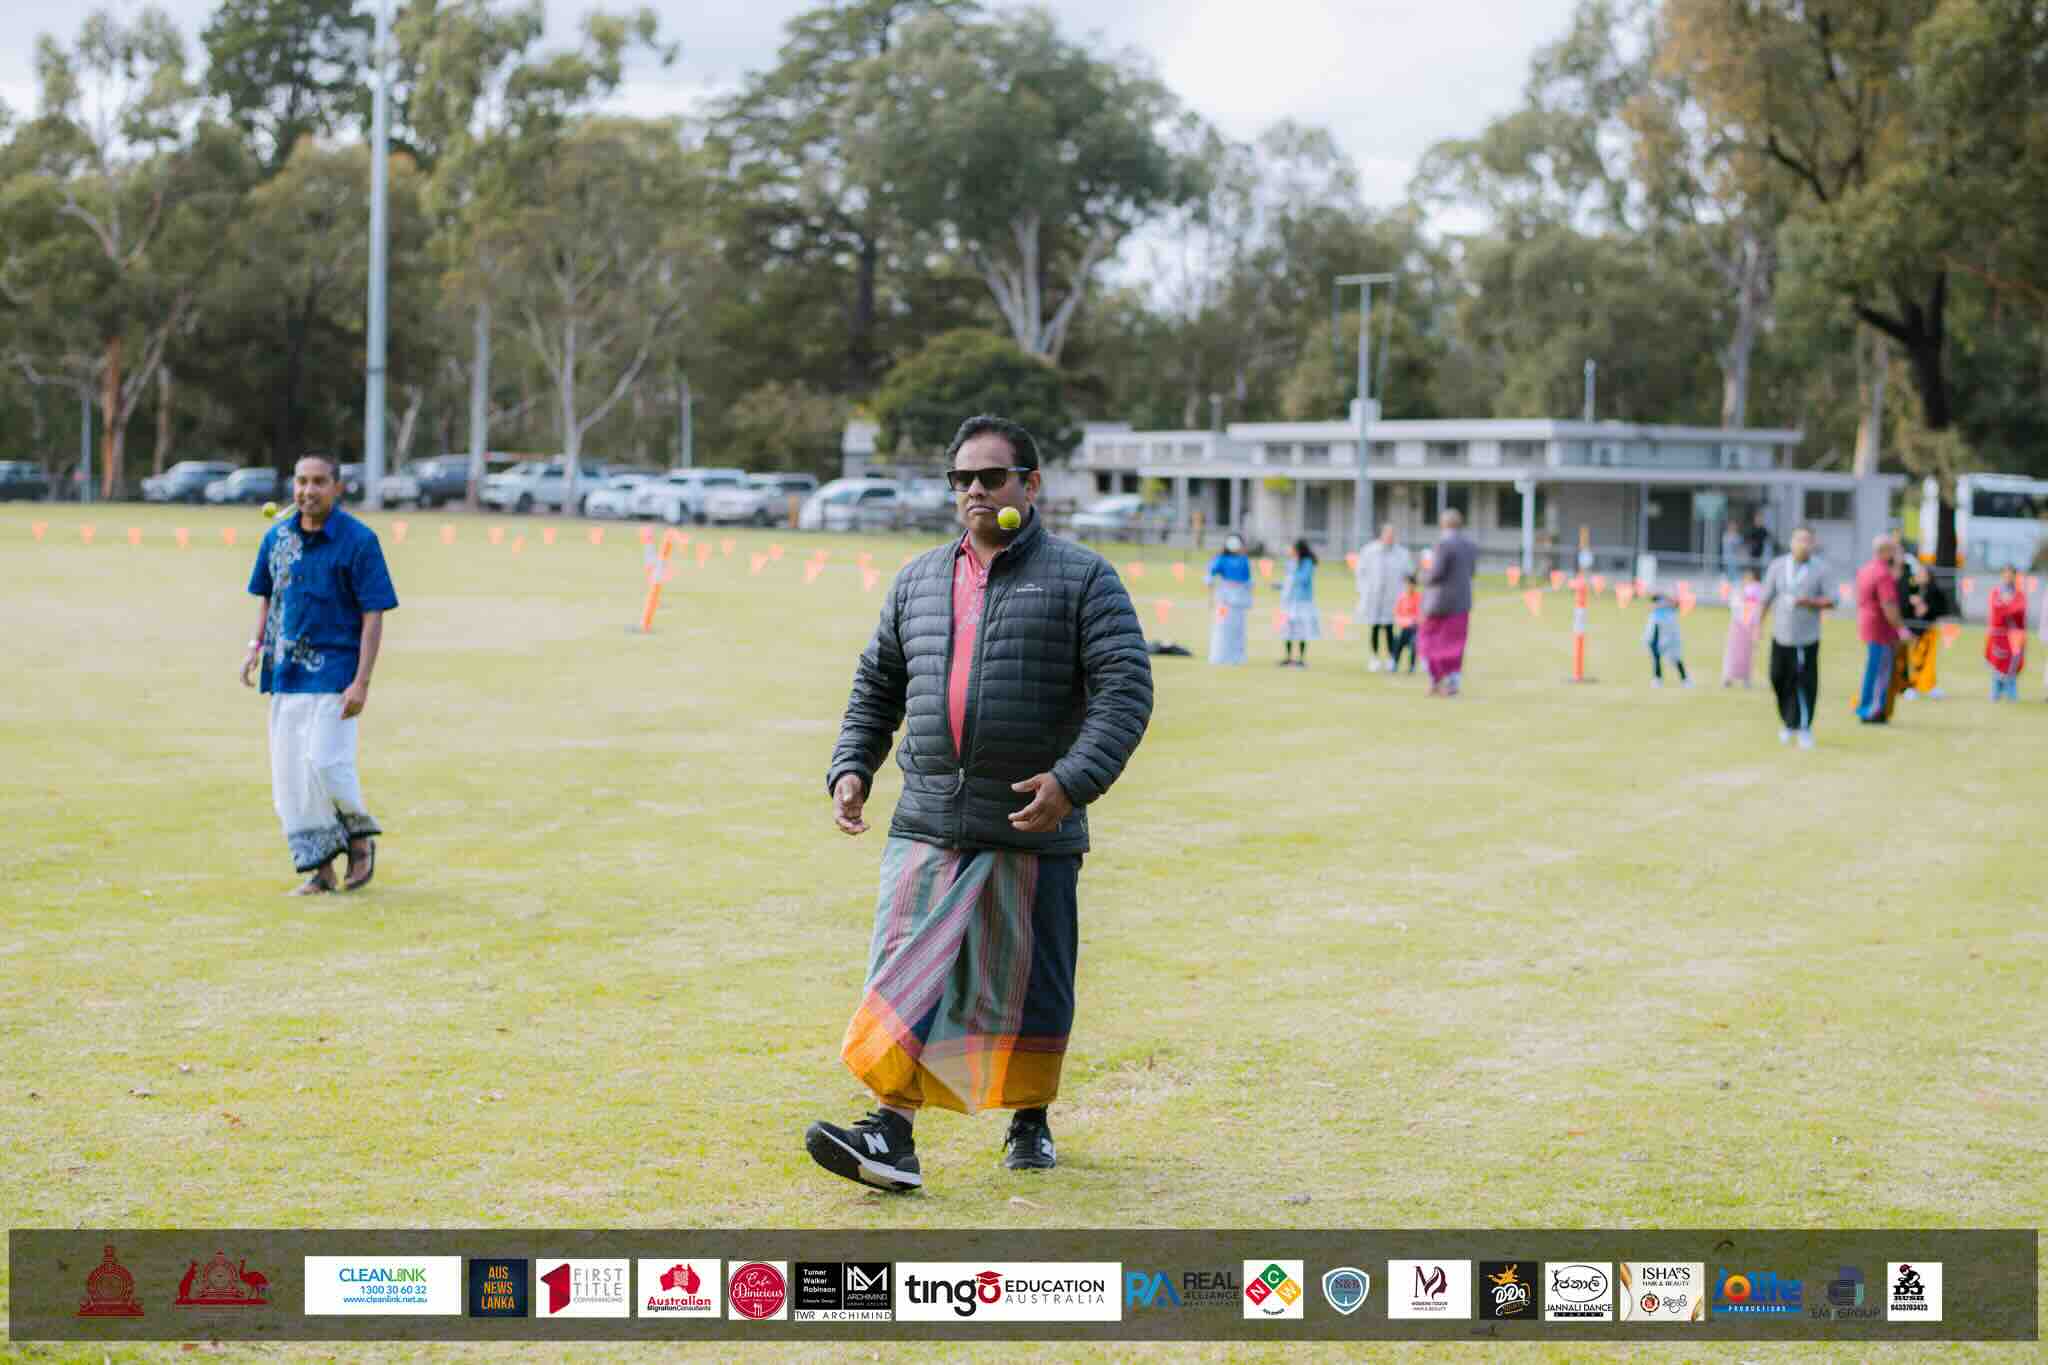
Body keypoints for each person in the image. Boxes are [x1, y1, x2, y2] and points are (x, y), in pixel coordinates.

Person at [813, 414, 1153, 1193]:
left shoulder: (1082, 578)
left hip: (1030, 825)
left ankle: (1029, 1116)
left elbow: (1126, 691)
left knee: (1027, 982)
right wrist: (852, 766)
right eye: (961, 478)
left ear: (1030, 486)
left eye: (991, 477)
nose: (974, 490)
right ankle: (889, 1131)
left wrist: (1072, 781)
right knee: (906, 970)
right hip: (928, 819)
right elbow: (877, 685)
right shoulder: (920, 579)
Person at [239, 454, 398, 894]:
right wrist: (255, 649)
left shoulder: (359, 541)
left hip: (337, 674)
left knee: (325, 763)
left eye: (319, 482)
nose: (308, 491)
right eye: (302, 481)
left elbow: (374, 614)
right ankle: (320, 869)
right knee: (292, 777)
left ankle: (359, 835)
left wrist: (362, 681)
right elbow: (268, 599)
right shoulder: (276, 539)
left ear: (337, 487)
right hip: (285, 673)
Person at [1756, 525, 1833, 749]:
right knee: (1778, 677)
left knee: (1804, 682)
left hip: (1806, 637)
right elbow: (1766, 598)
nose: (1803, 544)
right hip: (1781, 635)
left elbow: (1832, 600)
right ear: (1791, 541)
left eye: (1808, 540)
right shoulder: (1778, 566)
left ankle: (1804, 727)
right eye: (1800, 539)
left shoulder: (1821, 569)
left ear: (1813, 544)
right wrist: (1757, 626)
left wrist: (1808, 602)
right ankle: (1789, 722)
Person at [1417, 507, 1478, 696]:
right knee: (1455, 644)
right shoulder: (1470, 545)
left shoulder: (1443, 544)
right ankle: (1452, 683)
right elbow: (1472, 572)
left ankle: (1437, 679)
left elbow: (1436, 573)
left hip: (1439, 603)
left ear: (1443, 524)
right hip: (1461, 602)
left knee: (1428, 641)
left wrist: (1421, 577)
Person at [1853, 534, 1908, 724]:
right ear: (1885, 551)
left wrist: (1898, 562)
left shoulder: (1866, 569)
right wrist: (1902, 629)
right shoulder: (1883, 573)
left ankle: (1866, 708)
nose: (1895, 554)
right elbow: (1889, 605)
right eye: (1893, 550)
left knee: (1872, 670)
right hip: (1881, 630)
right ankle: (1873, 711)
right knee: (1880, 672)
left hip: (1867, 625)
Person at [1353, 523, 1412, 672]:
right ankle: (1375, 657)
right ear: (1382, 535)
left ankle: (1392, 658)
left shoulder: (1402, 553)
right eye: (1387, 535)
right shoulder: (1369, 550)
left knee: (1390, 628)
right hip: (1373, 595)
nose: (1390, 538)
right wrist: (1363, 590)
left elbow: (1408, 574)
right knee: (1374, 626)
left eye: (1392, 536)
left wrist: (1404, 595)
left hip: (1392, 597)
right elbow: (1361, 572)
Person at [1897, 557, 1951, 700]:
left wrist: (1925, 608)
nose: (1919, 577)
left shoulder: (1934, 591)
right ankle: (1909, 686)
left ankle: (1928, 686)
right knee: (1913, 661)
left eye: (1922, 574)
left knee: (1927, 662)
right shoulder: (1912, 589)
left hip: (1928, 632)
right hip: (1913, 632)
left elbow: (1940, 609)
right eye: (1918, 574)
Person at [1205, 533, 1253, 665]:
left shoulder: (1244, 560)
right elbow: (1210, 574)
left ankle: (1236, 657)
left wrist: (1248, 597)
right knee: (1221, 627)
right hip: (1224, 598)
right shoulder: (1221, 559)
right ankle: (1219, 656)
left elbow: (1248, 580)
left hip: (1239, 599)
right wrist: (1211, 592)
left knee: (1238, 628)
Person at [1985, 565, 2028, 701]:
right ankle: (1996, 690)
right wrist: (2008, 607)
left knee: (2012, 664)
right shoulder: (1996, 592)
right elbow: (1996, 610)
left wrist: (2005, 606)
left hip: (2015, 636)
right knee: (1997, 661)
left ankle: (2011, 692)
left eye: (2011, 574)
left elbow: (2020, 610)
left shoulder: (2020, 594)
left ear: (2015, 576)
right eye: (2006, 574)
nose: (2008, 577)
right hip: (1998, 634)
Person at [1276, 539, 1321, 667]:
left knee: (1301, 630)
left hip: (1302, 601)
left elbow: (1303, 579)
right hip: (1289, 601)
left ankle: (1301, 658)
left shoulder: (1307, 563)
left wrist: (1291, 577)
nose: (1290, 551)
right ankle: (1288, 657)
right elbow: (1288, 581)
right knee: (1288, 629)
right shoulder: (1290, 562)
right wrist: (1279, 585)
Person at [1722, 568, 1762, 688]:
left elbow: (1758, 608)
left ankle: (1746, 678)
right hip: (1738, 626)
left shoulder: (1757, 591)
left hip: (1749, 627)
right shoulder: (1738, 592)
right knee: (1733, 653)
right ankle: (1728, 678)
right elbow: (1733, 604)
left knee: (1747, 654)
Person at [1642, 591, 1691, 687]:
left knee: (1676, 658)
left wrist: (1668, 600)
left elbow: (1677, 604)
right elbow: (1652, 599)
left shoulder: (1671, 610)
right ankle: (1657, 679)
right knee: (1656, 658)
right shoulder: (1655, 611)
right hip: (1655, 637)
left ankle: (1685, 679)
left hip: (1670, 638)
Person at [1390, 575, 1421, 674]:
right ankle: (1394, 663)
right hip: (1404, 628)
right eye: (1407, 585)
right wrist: (1403, 621)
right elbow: (1396, 614)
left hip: (1414, 629)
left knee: (1414, 642)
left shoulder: (1419, 598)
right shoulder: (1402, 598)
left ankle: (1411, 667)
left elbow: (1420, 615)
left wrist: (1412, 620)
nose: (1409, 587)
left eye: (1411, 585)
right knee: (1397, 641)